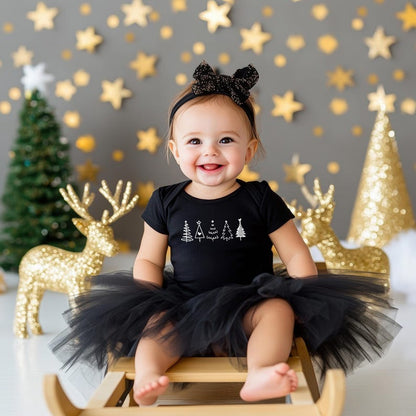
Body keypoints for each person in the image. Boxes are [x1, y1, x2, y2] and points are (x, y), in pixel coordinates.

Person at [51, 61, 400, 406]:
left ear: (248, 150)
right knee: (157, 326)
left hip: (250, 305)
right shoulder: (165, 201)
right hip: (183, 306)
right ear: (175, 150)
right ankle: (148, 376)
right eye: (194, 141)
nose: (210, 151)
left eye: (226, 140)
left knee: (278, 311)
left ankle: (261, 371)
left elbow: (294, 252)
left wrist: (306, 294)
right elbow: (147, 258)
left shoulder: (260, 198)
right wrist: (144, 297)